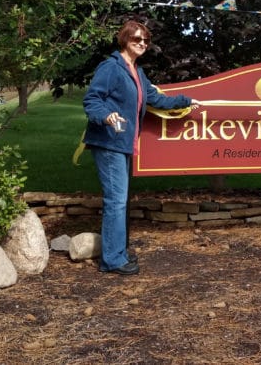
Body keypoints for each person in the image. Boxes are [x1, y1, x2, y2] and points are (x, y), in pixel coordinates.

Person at [83, 20, 201, 276]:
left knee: (121, 201)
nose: (142, 44)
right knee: (116, 201)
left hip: (123, 143)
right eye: (137, 39)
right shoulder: (111, 68)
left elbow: (155, 99)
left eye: (146, 41)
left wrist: (186, 101)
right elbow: (92, 99)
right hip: (108, 142)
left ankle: (118, 252)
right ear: (125, 39)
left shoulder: (137, 71)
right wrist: (107, 116)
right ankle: (113, 260)